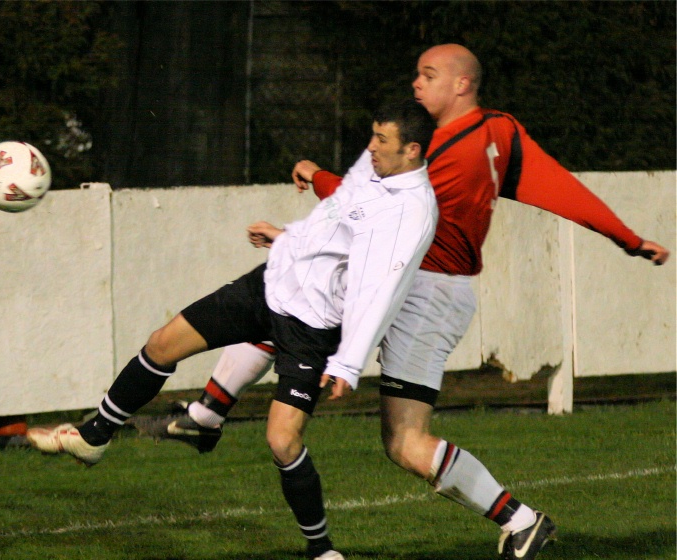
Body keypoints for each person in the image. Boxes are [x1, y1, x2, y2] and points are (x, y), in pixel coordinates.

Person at [155, 44, 671, 560]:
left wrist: (315, 178)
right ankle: (207, 413)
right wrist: (625, 236)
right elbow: (562, 189)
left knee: (405, 442)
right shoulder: (501, 132)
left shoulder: (444, 150)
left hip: (428, 295)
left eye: (428, 76)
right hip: (415, 287)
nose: (416, 86)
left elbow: (363, 205)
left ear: (462, 85)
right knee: (290, 301)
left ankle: (522, 520)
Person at [26, 100, 439, 560]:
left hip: (314, 325)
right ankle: (95, 436)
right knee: (163, 343)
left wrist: (348, 360)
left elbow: (381, 288)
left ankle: (321, 551)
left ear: (413, 150)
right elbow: (338, 220)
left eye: (382, 140)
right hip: (269, 285)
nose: (371, 147)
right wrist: (287, 237)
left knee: (282, 440)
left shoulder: (412, 212)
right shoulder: (375, 168)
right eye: (373, 135)